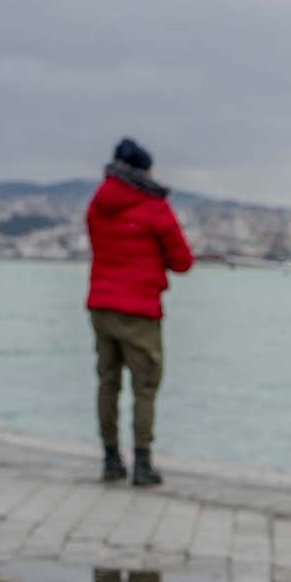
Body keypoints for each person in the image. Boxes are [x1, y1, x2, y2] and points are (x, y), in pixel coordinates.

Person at [86, 138, 194, 485]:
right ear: (144, 170)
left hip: (101, 305)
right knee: (144, 386)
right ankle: (142, 463)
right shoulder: (154, 208)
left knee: (107, 383)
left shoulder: (97, 205)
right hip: (139, 311)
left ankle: (110, 458)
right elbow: (181, 262)